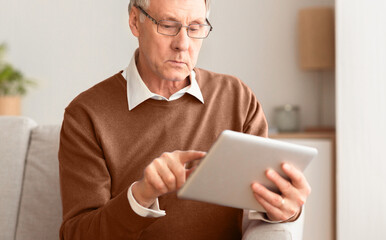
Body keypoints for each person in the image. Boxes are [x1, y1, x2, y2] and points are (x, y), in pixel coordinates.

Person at [58, 0, 311, 239]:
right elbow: (77, 234)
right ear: (135, 22)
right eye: (168, 26)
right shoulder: (85, 115)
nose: (183, 43)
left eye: (195, 27)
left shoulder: (237, 98)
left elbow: (265, 198)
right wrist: (141, 195)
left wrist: (287, 207)